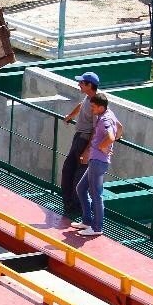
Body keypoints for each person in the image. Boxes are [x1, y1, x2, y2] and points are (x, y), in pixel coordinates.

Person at [72, 94, 120, 237]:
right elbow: (120, 128)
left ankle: (97, 227)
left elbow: (110, 137)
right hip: (96, 160)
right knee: (81, 188)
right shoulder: (109, 114)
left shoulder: (105, 118)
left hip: (98, 161)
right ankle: (87, 221)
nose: (91, 109)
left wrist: (102, 147)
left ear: (100, 107)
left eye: (93, 107)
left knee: (96, 195)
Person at [60, 72, 100, 217]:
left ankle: (78, 210)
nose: (79, 84)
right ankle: (68, 204)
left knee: (79, 177)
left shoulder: (96, 102)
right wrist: (70, 115)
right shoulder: (88, 98)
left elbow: (96, 130)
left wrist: (87, 151)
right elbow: (80, 105)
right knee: (67, 171)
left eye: (82, 83)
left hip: (84, 141)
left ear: (90, 85)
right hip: (79, 139)